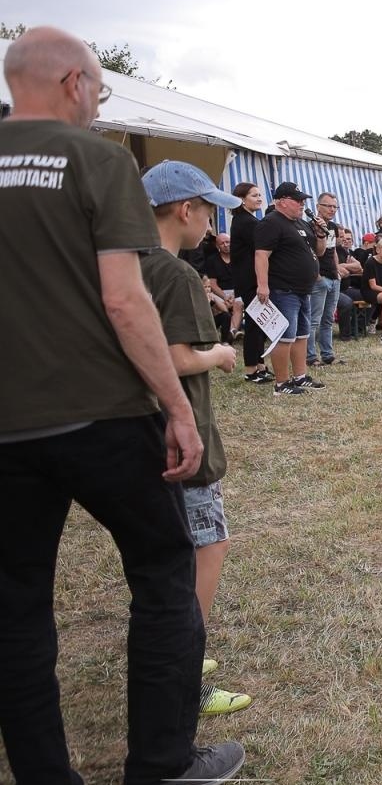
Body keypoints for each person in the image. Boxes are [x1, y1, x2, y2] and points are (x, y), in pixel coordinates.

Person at [0, 26, 244, 785]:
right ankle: (159, 774)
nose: (100, 100)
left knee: (17, 612)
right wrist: (176, 406)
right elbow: (126, 300)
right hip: (102, 415)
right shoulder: (96, 161)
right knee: (166, 573)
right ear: (73, 83)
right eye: (100, 89)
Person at [140, 162, 253, 719]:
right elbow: (179, 356)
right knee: (206, 547)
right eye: (207, 211)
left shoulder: (122, 266)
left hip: (136, 431)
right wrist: (221, 354)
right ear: (185, 209)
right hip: (182, 434)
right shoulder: (178, 274)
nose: (210, 223)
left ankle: (176, 655)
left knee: (162, 562)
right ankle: (187, 670)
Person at [253, 181, 326, 394]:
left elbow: (319, 252)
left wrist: (320, 234)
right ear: (283, 202)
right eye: (298, 200)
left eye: (303, 200)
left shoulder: (300, 223)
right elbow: (261, 255)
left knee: (301, 335)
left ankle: (300, 376)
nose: (302, 204)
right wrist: (263, 285)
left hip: (303, 289)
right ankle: (282, 383)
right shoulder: (271, 222)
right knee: (284, 336)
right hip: (283, 289)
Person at [230, 183, 269, 383]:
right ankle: (251, 369)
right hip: (249, 280)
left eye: (260, 194)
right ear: (242, 199)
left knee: (260, 324)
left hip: (250, 279)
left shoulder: (247, 220)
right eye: (254, 195)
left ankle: (260, 365)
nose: (259, 198)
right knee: (254, 324)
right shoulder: (246, 222)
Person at [305, 192, 341, 368]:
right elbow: (310, 253)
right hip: (318, 278)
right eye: (328, 206)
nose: (332, 210)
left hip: (333, 277)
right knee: (314, 320)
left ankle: (327, 354)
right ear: (318, 206)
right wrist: (316, 275)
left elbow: (332, 250)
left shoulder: (333, 226)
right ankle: (311, 357)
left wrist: (337, 270)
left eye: (335, 206)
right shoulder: (310, 226)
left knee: (328, 319)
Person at [202, 232, 244, 340]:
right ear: (217, 246)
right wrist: (225, 297)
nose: (226, 245)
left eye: (228, 242)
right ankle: (231, 332)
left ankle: (232, 332)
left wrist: (234, 295)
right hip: (220, 293)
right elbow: (213, 284)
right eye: (222, 243)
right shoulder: (212, 260)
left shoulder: (239, 258)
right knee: (219, 303)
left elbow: (243, 280)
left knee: (238, 302)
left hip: (238, 291)